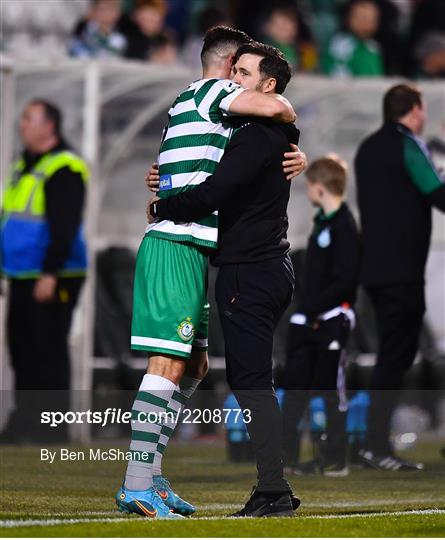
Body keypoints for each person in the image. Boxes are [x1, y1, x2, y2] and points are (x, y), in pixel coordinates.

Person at [115, 27, 304, 520]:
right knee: (168, 365)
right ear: (225, 69)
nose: (239, 80)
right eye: (237, 70)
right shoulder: (217, 92)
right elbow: (279, 109)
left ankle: (153, 475)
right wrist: (290, 118)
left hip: (197, 250)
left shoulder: (192, 106)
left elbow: (187, 163)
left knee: (194, 367)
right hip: (177, 244)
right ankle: (136, 483)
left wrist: (294, 152)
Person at [354, 83, 445, 470]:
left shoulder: (367, 147)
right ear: (414, 110)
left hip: (374, 267)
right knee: (396, 356)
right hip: (402, 269)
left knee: (392, 355)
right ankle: (376, 445)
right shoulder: (408, 144)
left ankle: (373, 443)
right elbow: (435, 192)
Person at [0, 100, 88, 442]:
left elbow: (63, 226)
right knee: (22, 352)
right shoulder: (24, 165)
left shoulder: (64, 167)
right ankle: (24, 424)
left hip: (53, 275)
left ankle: (51, 431)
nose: (22, 125)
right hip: (23, 274)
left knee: (47, 351)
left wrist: (50, 273)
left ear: (49, 126)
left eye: (28, 118)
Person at [281, 155, 360, 477]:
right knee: (295, 389)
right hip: (308, 320)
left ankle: (335, 459)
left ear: (320, 187)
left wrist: (313, 310)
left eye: (310, 187)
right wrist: (302, 313)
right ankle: (285, 458)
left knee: (330, 391)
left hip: (331, 319)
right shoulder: (321, 223)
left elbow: (345, 279)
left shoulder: (345, 225)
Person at [322, 0, 384, 77]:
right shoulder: (339, 45)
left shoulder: (374, 47)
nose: (366, 23)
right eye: (362, 18)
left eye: (372, 19)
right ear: (349, 19)